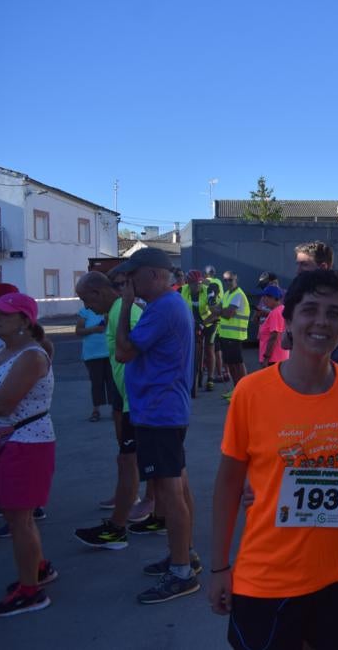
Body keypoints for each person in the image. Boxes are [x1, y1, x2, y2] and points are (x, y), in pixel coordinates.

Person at [209, 269, 338, 650]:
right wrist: (218, 567)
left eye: (334, 313)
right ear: (289, 319)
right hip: (266, 576)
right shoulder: (252, 392)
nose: (322, 321)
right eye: (310, 310)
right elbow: (229, 485)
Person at [112, 247, 199, 604]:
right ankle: (185, 555)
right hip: (165, 410)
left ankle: (181, 572)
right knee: (177, 483)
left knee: (168, 491)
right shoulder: (166, 306)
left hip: (159, 412)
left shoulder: (162, 307)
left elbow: (123, 351)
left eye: (131, 276)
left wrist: (124, 311)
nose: (126, 283)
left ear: (153, 275)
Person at [0, 293, 56, 617]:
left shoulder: (31, 356)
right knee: (14, 517)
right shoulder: (0, 353)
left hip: (26, 443)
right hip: (4, 442)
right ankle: (37, 568)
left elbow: (3, 404)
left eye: (5, 314)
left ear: (25, 320)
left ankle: (31, 591)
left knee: (20, 519)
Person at [73, 272, 148, 551]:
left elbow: (145, 351)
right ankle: (156, 515)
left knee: (131, 462)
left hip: (138, 401)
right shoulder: (118, 310)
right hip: (132, 399)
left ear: (97, 291)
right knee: (136, 462)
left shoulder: (125, 311)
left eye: (85, 299)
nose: (86, 306)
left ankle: (117, 529)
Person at [294, 241, 338, 369]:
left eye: (304, 265)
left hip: (333, 373)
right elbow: (286, 343)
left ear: (323, 267)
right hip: (302, 374)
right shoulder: (296, 296)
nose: (298, 271)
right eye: (309, 310)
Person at [212, 271, 250, 401]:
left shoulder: (238, 294)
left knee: (238, 364)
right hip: (227, 335)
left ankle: (243, 392)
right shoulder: (228, 294)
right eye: (225, 280)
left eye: (230, 279)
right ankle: (236, 390)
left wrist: (220, 311)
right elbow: (216, 309)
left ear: (236, 278)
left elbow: (228, 313)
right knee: (232, 364)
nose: (227, 282)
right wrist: (221, 310)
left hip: (236, 335)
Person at [77, 304, 112, 422]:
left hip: (109, 352)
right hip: (92, 354)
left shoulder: (109, 310)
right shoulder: (85, 312)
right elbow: (78, 331)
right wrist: (93, 329)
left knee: (112, 382)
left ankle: (115, 409)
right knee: (96, 382)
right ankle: (96, 410)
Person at [203, 266, 226, 386]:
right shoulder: (219, 282)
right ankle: (222, 373)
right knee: (218, 347)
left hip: (212, 315)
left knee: (213, 348)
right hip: (218, 314)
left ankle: (218, 373)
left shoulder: (209, 282)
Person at [257, 286, 288, 367]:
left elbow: (274, 336)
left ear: (274, 298)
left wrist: (266, 358)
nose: (263, 299)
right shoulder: (281, 310)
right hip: (278, 358)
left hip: (273, 359)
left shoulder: (276, 313)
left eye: (265, 297)